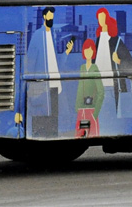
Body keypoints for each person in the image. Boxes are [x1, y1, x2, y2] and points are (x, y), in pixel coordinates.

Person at [24, 7, 74, 138]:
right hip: (42, 85)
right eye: (49, 16)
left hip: (55, 85)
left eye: (52, 17)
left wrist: (67, 52)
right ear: (44, 17)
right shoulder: (37, 35)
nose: (51, 19)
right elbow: (31, 61)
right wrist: (32, 84)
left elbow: (57, 62)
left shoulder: (52, 35)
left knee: (53, 118)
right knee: (42, 116)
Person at [75, 39, 103, 138]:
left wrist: (95, 113)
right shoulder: (82, 68)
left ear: (93, 52)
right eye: (86, 50)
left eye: (90, 51)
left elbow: (101, 92)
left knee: (92, 134)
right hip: (81, 110)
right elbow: (80, 88)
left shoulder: (95, 69)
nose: (88, 53)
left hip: (91, 110)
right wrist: (77, 107)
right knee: (79, 136)